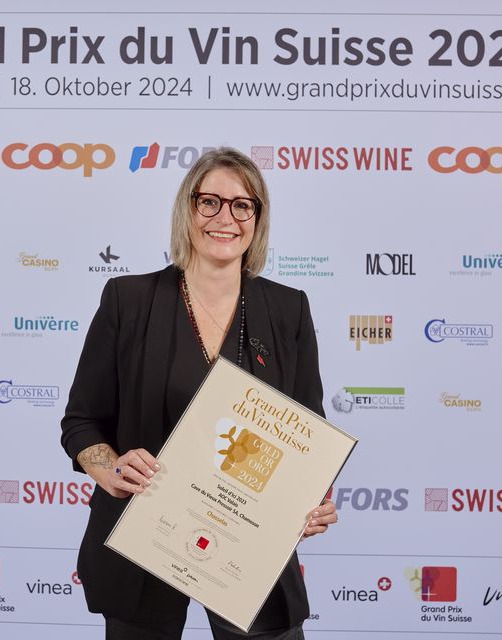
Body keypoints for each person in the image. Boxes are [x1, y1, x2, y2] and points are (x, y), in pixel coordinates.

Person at [60, 147, 337, 640]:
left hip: (249, 547)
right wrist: (111, 469)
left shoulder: (289, 309)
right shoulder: (128, 300)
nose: (224, 218)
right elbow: (81, 423)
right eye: (209, 202)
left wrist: (312, 500)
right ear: (187, 210)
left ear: (257, 218)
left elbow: (309, 438)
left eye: (241, 205)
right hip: (145, 535)